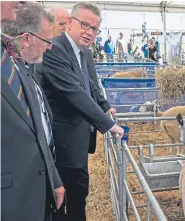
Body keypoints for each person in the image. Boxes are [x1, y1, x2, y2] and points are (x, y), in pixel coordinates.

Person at [33, 2, 124, 221]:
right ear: (70, 23)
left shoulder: (82, 52)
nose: (89, 32)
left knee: (79, 193)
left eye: (94, 29)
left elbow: (91, 84)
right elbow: (74, 92)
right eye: (85, 25)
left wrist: (104, 106)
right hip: (63, 142)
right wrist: (108, 124)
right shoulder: (54, 49)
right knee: (66, 199)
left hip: (78, 139)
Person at [1, 2, 65, 221]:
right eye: (47, 40)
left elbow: (39, 129)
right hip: (10, 201)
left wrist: (53, 179)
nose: (49, 47)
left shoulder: (14, 59)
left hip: (35, 193)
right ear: (27, 39)